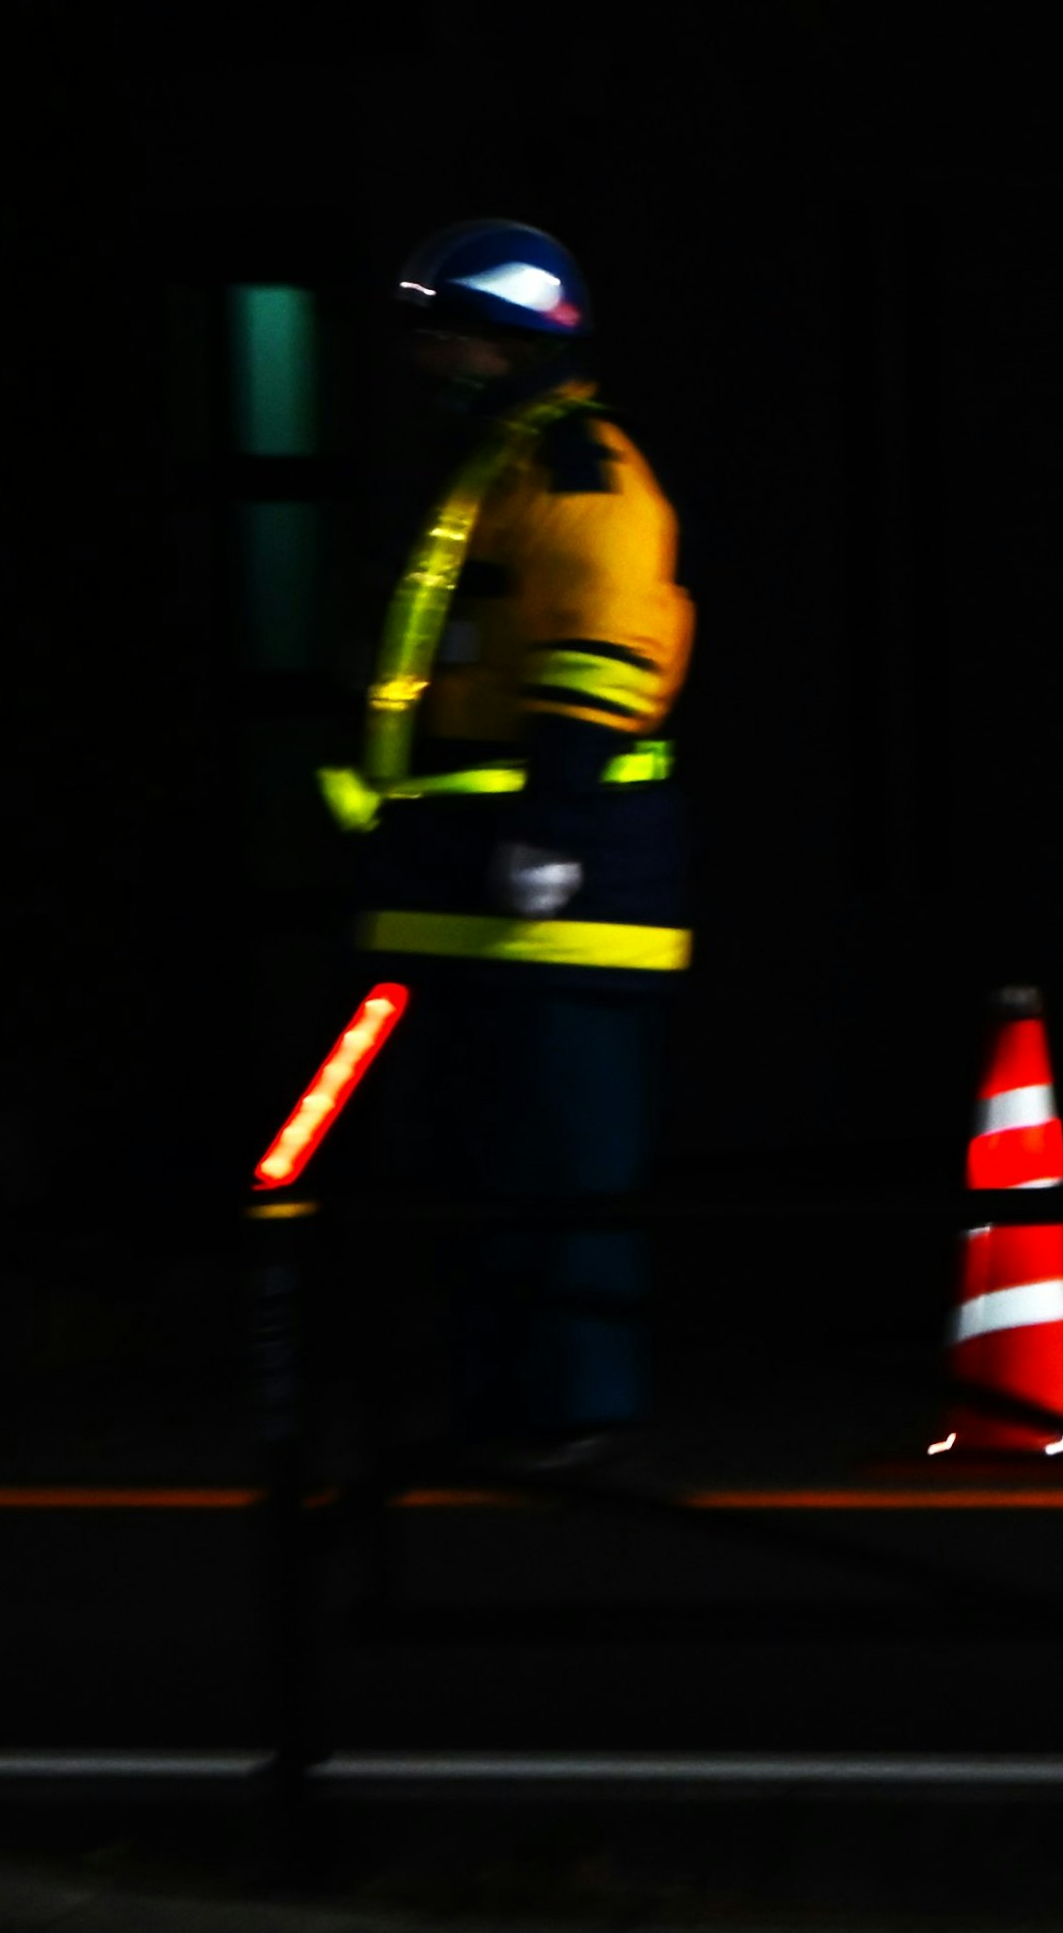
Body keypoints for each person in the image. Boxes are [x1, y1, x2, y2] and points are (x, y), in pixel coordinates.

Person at [321, 218, 691, 1471]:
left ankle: (570, 1411)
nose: (437, 360)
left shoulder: (576, 466)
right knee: (487, 1167)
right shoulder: (496, 465)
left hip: (558, 894)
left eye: (461, 339)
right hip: (467, 889)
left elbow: (599, 655)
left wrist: (548, 828)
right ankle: (505, 1408)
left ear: (520, 342)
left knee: (559, 1168)